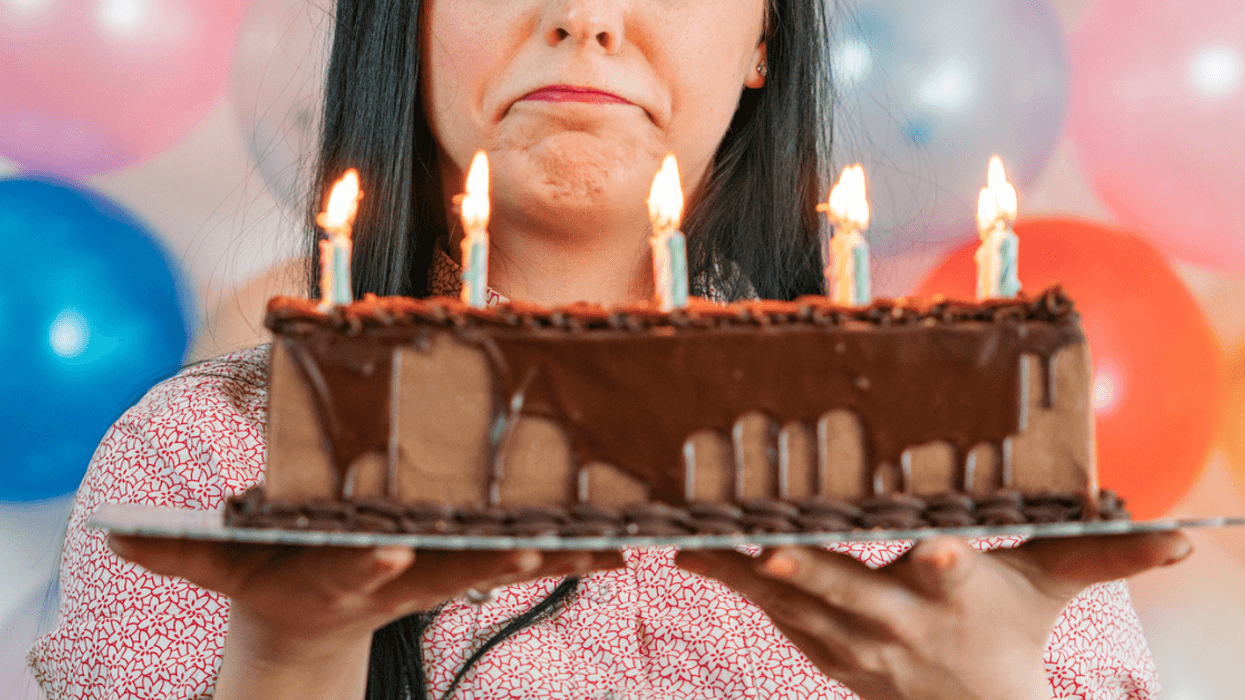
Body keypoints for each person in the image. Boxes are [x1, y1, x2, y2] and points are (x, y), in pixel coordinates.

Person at [29, 0, 1191, 698]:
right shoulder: (211, 465)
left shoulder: (961, 470)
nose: (585, 14)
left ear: (764, 33)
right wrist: (290, 652)